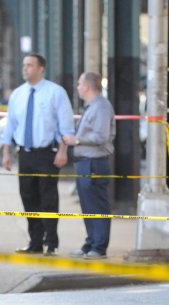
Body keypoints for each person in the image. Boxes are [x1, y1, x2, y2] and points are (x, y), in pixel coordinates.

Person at [2, 53, 74, 255]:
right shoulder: (18, 94)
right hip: (25, 155)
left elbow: (66, 125)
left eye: (30, 65)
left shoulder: (55, 93)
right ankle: (34, 242)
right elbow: (11, 125)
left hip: (47, 154)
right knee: (28, 198)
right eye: (24, 65)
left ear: (41, 68)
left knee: (48, 199)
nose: (25, 69)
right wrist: (6, 152)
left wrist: (63, 151)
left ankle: (51, 243)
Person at [62, 72, 115, 259]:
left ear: (87, 86)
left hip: (94, 162)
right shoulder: (92, 107)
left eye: (79, 84)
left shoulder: (101, 107)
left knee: (97, 206)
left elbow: (100, 137)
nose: (77, 87)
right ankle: (91, 243)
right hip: (85, 163)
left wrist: (76, 141)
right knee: (88, 206)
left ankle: (99, 247)